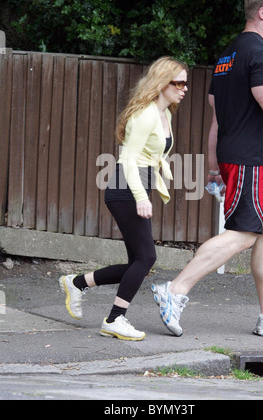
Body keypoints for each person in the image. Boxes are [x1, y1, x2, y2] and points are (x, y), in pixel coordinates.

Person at [152, 0, 263, 338]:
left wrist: (214, 165)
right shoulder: (262, 56)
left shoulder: (226, 57)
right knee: (245, 233)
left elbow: (217, 120)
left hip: (250, 159)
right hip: (252, 161)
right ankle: (174, 291)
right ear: (262, 14)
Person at [59, 56, 188, 341]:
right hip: (125, 187)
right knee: (147, 257)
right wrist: (141, 197)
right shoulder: (145, 115)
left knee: (137, 266)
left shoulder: (164, 113)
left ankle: (77, 283)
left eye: (185, 83)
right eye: (178, 82)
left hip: (136, 185)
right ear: (162, 82)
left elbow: (150, 155)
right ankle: (115, 319)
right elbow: (128, 158)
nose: (184, 88)